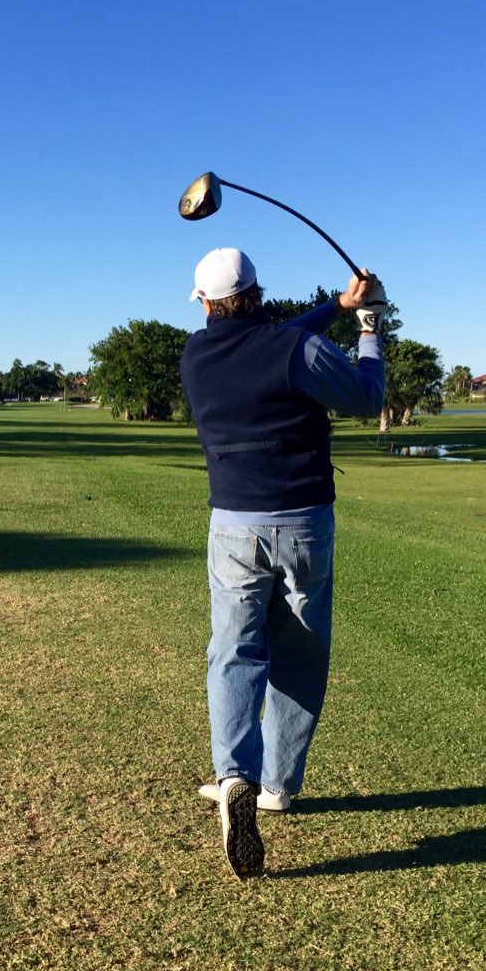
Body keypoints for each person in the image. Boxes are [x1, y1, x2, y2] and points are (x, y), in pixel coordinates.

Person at [179, 248, 386, 879]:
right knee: (297, 654)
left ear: (208, 304)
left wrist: (337, 306)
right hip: (302, 524)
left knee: (234, 650)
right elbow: (364, 394)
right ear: (258, 292)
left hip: (233, 526)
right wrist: (369, 326)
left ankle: (232, 775)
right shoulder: (294, 351)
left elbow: (272, 344)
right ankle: (276, 785)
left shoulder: (195, 354)